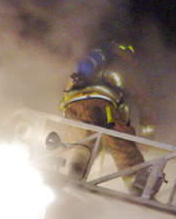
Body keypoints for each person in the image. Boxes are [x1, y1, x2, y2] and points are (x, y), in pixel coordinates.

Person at [59, 41, 155, 196]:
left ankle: (74, 174)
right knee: (126, 152)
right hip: (103, 107)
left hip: (74, 105)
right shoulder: (126, 69)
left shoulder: (94, 61)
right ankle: (141, 193)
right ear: (129, 56)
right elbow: (144, 104)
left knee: (84, 144)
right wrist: (147, 137)